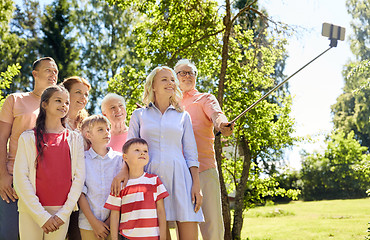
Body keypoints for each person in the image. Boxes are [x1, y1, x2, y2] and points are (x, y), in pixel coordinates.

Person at [126, 66, 204, 239]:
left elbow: (191, 153)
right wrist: (124, 176)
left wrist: (196, 186)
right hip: (150, 179)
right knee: (158, 235)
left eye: (171, 80)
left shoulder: (183, 116)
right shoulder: (139, 115)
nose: (170, 83)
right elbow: (129, 151)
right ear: (152, 85)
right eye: (164, 79)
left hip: (181, 178)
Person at [13, 85, 85, 240]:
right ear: (44, 104)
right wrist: (41, 216)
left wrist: (63, 215)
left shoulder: (75, 139)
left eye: (66, 102)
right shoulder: (27, 138)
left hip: (61, 213)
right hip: (31, 211)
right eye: (58, 100)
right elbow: (20, 178)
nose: (64, 106)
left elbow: (79, 178)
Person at [174, 59, 234, 240]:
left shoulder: (205, 98)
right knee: (184, 229)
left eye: (191, 72)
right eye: (182, 73)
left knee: (212, 227)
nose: (187, 76)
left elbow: (217, 114)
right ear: (175, 78)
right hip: (180, 174)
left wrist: (222, 124)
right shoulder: (170, 105)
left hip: (205, 170)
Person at [0, 57, 58, 240]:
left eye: (55, 71)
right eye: (48, 70)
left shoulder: (58, 107)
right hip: (13, 180)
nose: (53, 74)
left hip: (45, 184)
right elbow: (1, 139)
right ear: (35, 74)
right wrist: (2, 174)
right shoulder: (15, 100)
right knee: (9, 234)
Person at [105, 138, 168, 240]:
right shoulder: (120, 185)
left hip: (152, 237)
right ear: (125, 157)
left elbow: (161, 211)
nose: (142, 153)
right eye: (137, 150)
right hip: (127, 237)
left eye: (145, 151)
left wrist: (163, 238)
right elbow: (115, 214)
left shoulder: (154, 181)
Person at [78, 115, 124, 240]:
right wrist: (94, 223)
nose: (106, 132)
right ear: (88, 135)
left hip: (114, 224)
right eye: (100, 129)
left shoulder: (119, 160)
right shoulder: (82, 159)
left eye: (108, 129)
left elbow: (123, 193)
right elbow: (80, 193)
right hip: (88, 224)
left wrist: (109, 223)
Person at [61, 76, 91, 240]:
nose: (83, 97)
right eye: (78, 92)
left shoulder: (86, 126)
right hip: (58, 192)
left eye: (86, 94)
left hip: (82, 194)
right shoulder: (54, 122)